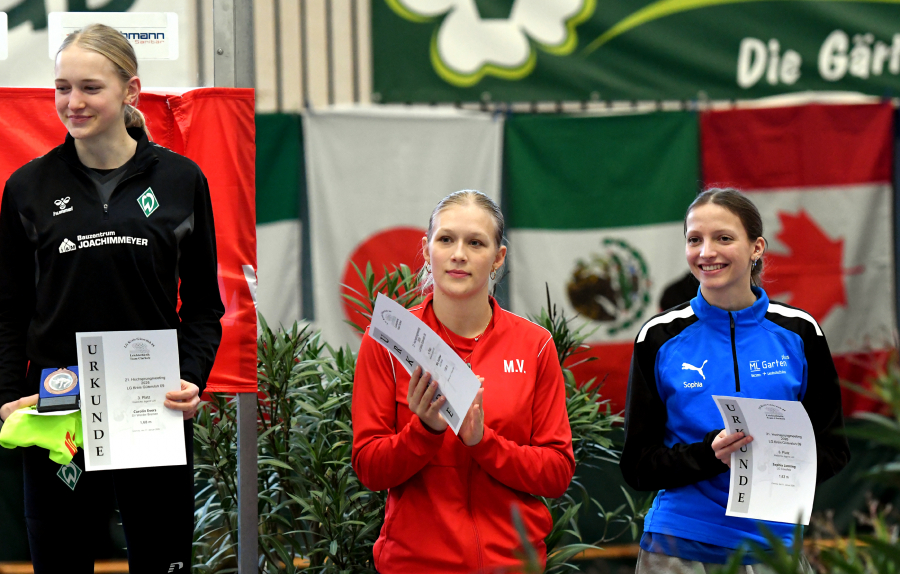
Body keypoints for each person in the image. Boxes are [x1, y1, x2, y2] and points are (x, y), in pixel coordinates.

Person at [0, 24, 224, 574]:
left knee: (161, 562)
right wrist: (7, 397)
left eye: (90, 88)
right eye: (61, 87)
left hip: (152, 410)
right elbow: (7, 310)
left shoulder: (181, 180)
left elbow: (202, 307)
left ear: (130, 90)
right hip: (57, 411)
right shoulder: (28, 187)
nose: (72, 103)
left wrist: (192, 377)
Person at [620, 188, 850, 572]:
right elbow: (638, 466)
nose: (706, 252)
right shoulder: (659, 336)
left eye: (723, 238)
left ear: (756, 247)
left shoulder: (800, 331)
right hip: (679, 545)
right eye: (695, 239)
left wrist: (779, 462)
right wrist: (710, 453)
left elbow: (833, 449)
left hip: (774, 547)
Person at [351, 190, 575, 573]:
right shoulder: (385, 341)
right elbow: (370, 469)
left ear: (498, 257)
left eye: (475, 242)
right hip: (414, 565)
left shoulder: (535, 345)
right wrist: (423, 431)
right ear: (426, 250)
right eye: (446, 239)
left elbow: (556, 473)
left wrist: (482, 442)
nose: (459, 254)